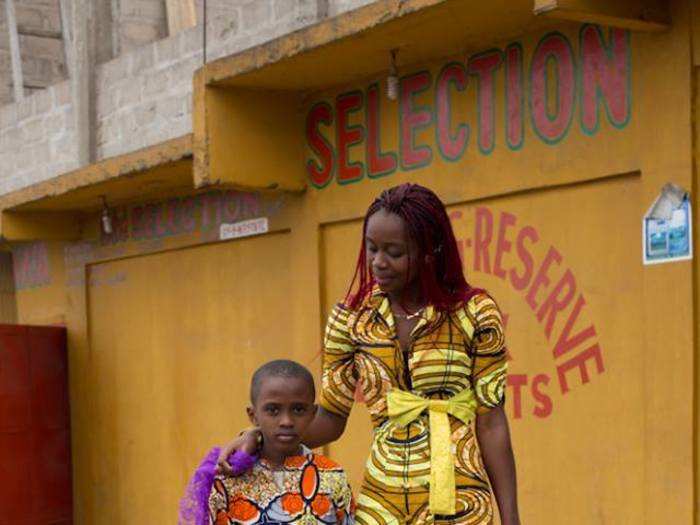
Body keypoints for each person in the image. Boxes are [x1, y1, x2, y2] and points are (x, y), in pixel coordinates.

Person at [218, 184, 520, 525]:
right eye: (372, 248)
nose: (378, 262)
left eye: (394, 251)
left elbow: (492, 423)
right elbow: (331, 419)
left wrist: (511, 518)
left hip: (461, 501)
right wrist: (260, 435)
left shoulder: (476, 313)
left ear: (429, 251)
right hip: (382, 504)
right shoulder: (351, 318)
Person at [179, 360, 355, 525]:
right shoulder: (227, 476)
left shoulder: (332, 476)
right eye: (273, 410)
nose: (286, 421)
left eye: (298, 409)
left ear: (313, 413)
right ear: (253, 415)